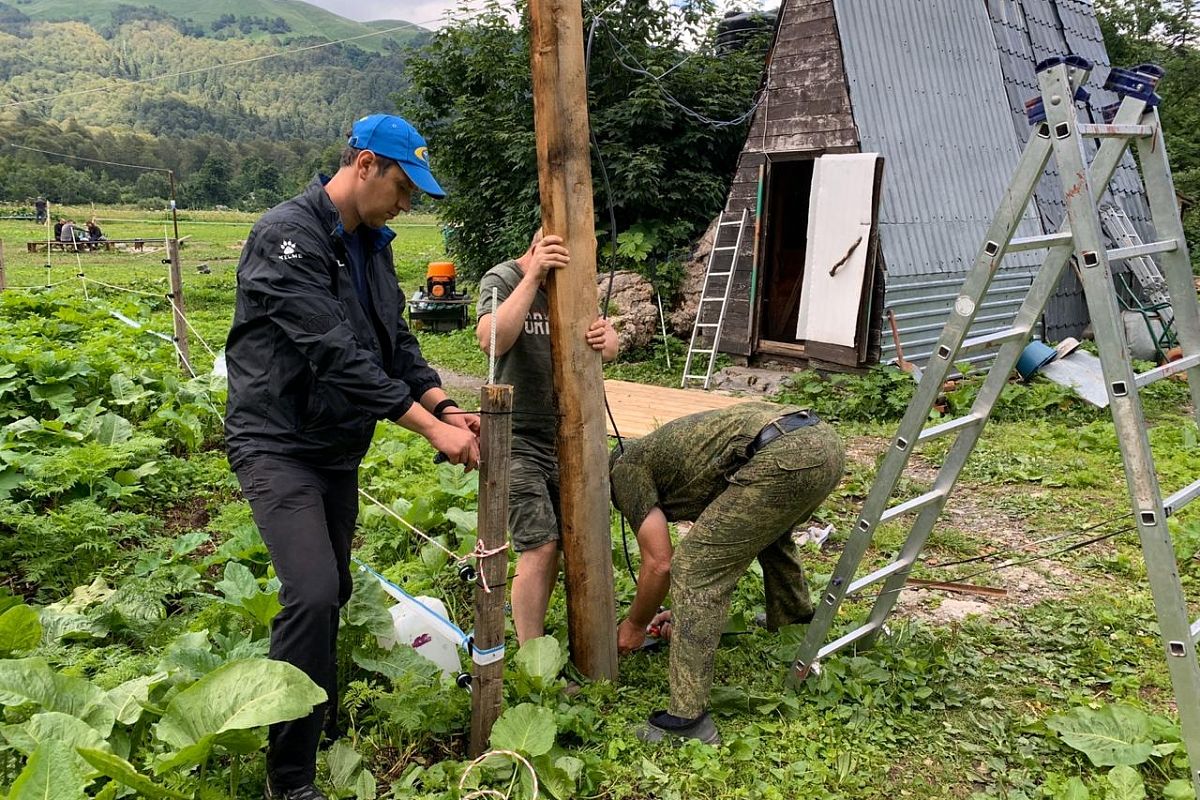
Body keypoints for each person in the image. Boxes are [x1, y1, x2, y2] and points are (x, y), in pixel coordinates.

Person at [224, 114, 480, 800]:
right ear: (364, 165)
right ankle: (290, 778)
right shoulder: (287, 235)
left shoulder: (372, 245)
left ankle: (317, 714)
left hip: (335, 447)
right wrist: (429, 430)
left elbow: (394, 340)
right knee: (309, 592)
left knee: (333, 587)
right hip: (276, 442)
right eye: (402, 187)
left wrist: (443, 403)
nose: (407, 204)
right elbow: (334, 353)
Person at [609, 401, 845, 744]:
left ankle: (688, 722)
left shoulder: (625, 470)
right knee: (771, 535)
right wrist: (690, 617)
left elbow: (660, 562)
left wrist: (632, 626)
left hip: (787, 453)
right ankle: (795, 626)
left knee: (694, 566)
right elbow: (733, 537)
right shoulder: (670, 456)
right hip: (823, 443)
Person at [475, 230, 618, 644]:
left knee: (570, 541)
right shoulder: (503, 278)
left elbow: (606, 343)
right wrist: (533, 276)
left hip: (568, 438)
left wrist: (609, 342)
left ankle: (578, 640)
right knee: (539, 544)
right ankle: (532, 657)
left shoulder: (573, 285)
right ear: (537, 245)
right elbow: (490, 340)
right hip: (517, 437)